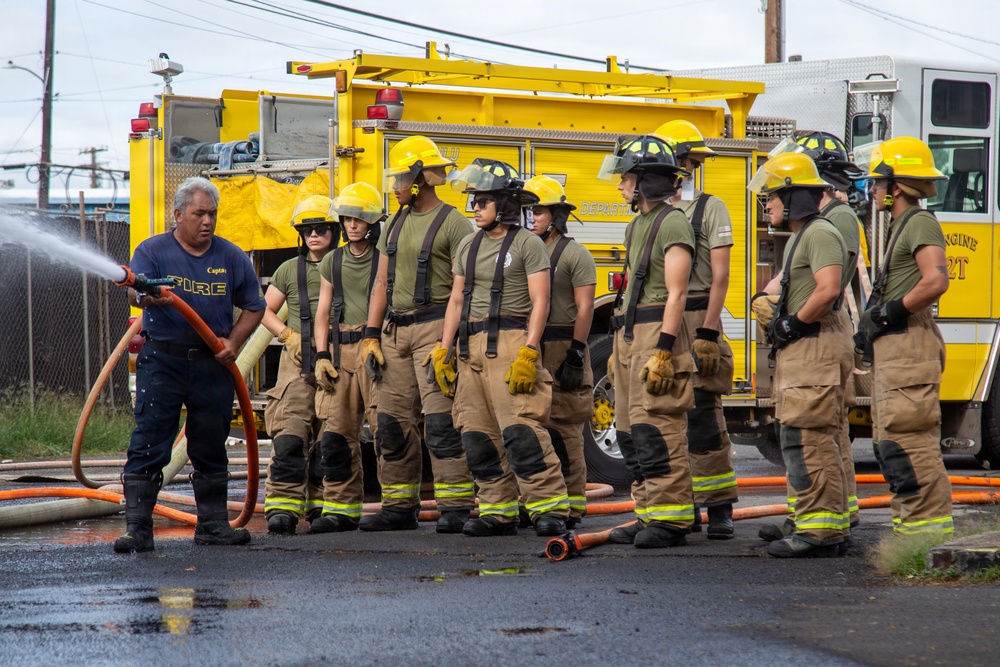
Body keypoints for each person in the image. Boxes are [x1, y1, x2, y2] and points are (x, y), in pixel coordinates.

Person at [115, 176, 266, 553]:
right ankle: (138, 529)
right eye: (200, 214)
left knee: (210, 443)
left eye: (212, 214)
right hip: (163, 360)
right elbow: (135, 292)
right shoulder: (152, 250)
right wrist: (147, 297)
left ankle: (213, 525)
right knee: (150, 439)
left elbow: (256, 306)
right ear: (178, 214)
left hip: (212, 364)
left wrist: (233, 343)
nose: (208, 222)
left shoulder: (230, 256)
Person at [434, 159, 571, 537]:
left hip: (511, 342)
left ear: (505, 205)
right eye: (474, 201)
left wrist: (529, 351)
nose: (474, 208)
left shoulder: (528, 245)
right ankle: (497, 510)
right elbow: (457, 300)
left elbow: (540, 301)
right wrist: (444, 349)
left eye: (482, 201)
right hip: (469, 347)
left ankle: (549, 508)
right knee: (476, 435)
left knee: (522, 431)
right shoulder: (467, 244)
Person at [361, 136, 476, 533]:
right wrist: (371, 334)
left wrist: (449, 345)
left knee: (443, 423)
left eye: (399, 179)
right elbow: (380, 283)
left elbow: (467, 290)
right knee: (390, 423)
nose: (394, 187)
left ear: (420, 178)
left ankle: (457, 505)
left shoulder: (456, 223)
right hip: (394, 330)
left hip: (435, 328)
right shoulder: (392, 224)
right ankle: (398, 505)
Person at [756, 132, 865, 547]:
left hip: (815, 344)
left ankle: (819, 530)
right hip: (811, 345)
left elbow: (828, 288)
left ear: (796, 198)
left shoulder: (820, 233)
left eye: (775, 197)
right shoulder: (807, 233)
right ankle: (815, 521)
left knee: (810, 436)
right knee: (811, 434)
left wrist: (793, 323)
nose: (768, 205)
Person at [599, 135, 698, 549]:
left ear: (645, 181)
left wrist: (663, 350)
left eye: (626, 178)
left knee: (658, 426)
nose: (620, 185)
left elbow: (676, 293)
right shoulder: (636, 224)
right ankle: (648, 512)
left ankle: (672, 520)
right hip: (630, 335)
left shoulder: (673, 222)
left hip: (656, 334)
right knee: (629, 430)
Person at [855, 136, 953, 538]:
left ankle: (926, 538)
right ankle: (911, 534)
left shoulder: (920, 222)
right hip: (895, 348)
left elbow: (936, 280)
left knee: (911, 439)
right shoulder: (901, 225)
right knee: (892, 442)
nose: (872, 190)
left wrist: (893, 310)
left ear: (896, 186)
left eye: (877, 182)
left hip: (910, 343)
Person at [654, 119, 738, 539]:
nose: (688, 169)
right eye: (683, 160)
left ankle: (719, 509)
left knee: (704, 415)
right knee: (666, 414)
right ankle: (677, 507)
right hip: (665, 321)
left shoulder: (709, 208)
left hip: (698, 317)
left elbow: (720, 277)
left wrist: (707, 334)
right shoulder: (653, 213)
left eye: (692, 162)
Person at [259, 195, 337, 535]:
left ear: (334, 231)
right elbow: (262, 310)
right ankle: (283, 507)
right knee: (290, 436)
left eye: (321, 229)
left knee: (331, 439)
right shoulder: (290, 270)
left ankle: (323, 504)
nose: (314, 235)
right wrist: (287, 335)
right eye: (307, 230)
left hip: (338, 360)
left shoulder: (350, 265)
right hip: (297, 361)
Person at [311, 183, 386, 533]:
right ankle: (340, 509)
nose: (352, 225)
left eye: (359, 218)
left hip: (377, 351)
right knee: (337, 435)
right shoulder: (332, 260)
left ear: (371, 222)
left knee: (388, 431)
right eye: (347, 218)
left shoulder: (384, 256)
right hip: (341, 352)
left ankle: (400, 506)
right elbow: (323, 312)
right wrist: (322, 355)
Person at [523, 175, 596, 528]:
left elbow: (585, 308)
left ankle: (574, 504)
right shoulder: (523, 248)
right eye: (529, 210)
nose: (531, 217)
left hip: (564, 345)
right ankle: (541, 501)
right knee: (532, 425)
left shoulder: (575, 254)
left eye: (538, 211)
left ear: (556, 215)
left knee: (565, 430)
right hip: (532, 348)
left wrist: (577, 353)